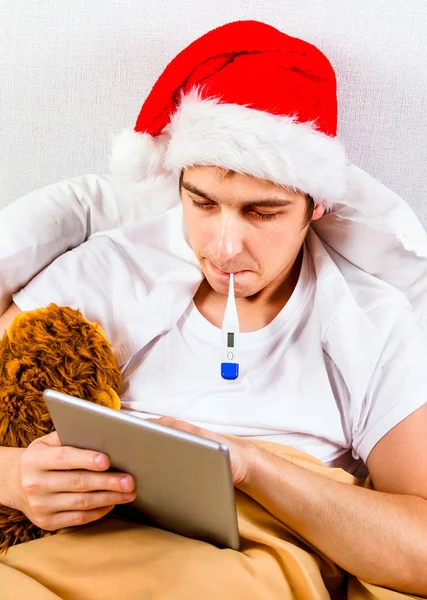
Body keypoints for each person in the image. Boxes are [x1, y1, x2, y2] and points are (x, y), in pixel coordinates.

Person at [1, 19, 427, 598]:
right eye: (202, 203)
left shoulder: (370, 323)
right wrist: (12, 477)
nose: (224, 248)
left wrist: (252, 468)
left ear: (316, 205)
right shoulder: (111, 270)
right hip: (71, 560)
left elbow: (419, 549)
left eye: (263, 212)